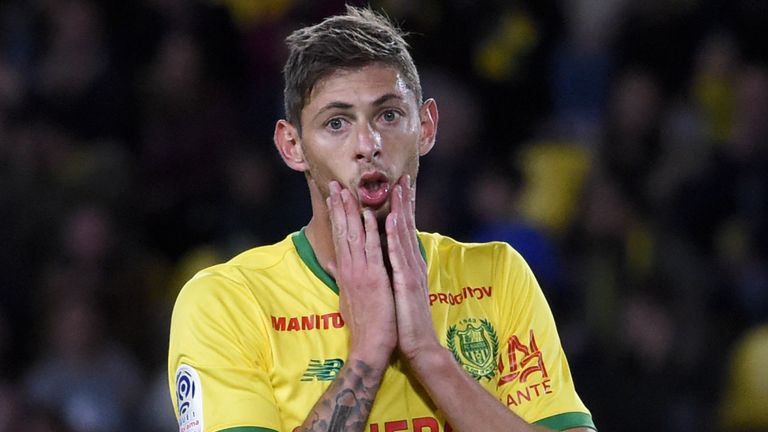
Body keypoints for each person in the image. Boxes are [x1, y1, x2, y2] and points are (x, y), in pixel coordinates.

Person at [168, 6, 596, 432]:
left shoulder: (496, 276)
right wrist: (368, 352)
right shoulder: (228, 302)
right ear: (292, 146)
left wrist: (429, 355)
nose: (368, 143)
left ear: (425, 127)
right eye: (336, 123)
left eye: (388, 115)